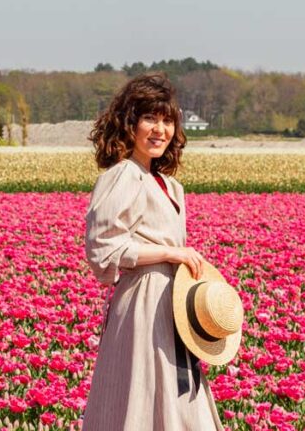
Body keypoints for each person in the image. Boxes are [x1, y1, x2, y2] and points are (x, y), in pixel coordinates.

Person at [82, 73, 224, 430]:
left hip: (174, 305)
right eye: (150, 118)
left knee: (181, 399)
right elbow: (104, 247)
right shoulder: (123, 176)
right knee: (141, 397)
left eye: (167, 120)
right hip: (143, 305)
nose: (160, 129)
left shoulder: (172, 187)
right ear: (130, 124)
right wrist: (170, 254)